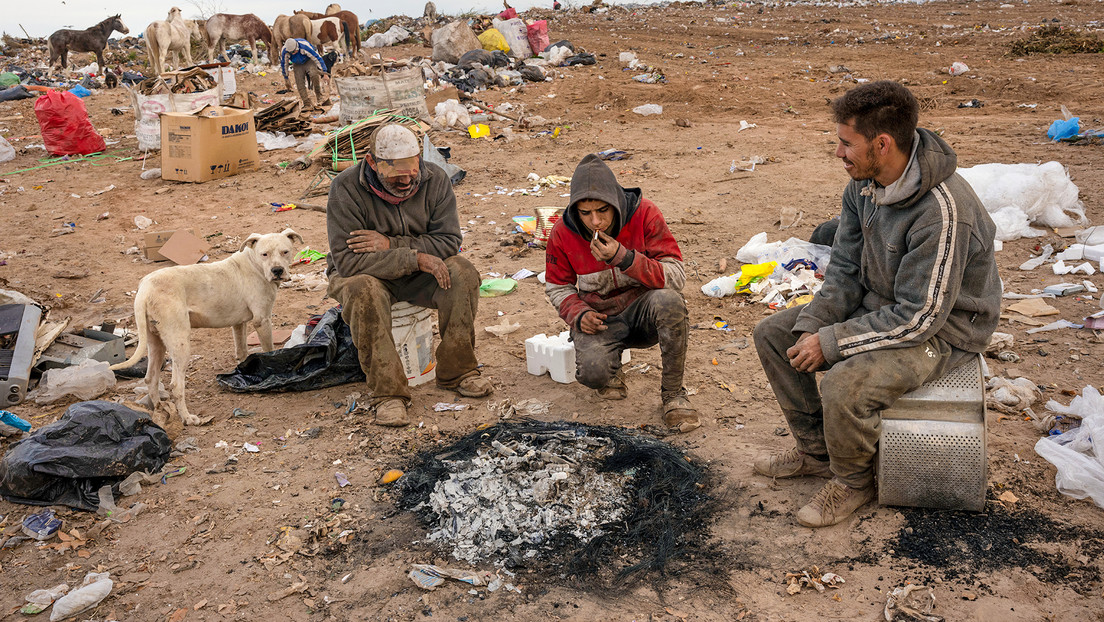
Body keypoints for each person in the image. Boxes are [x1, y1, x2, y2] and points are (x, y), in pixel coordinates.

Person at [752, 81, 1001, 527]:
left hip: (945, 329)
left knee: (844, 384)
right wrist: (813, 325)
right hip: (883, 306)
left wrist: (832, 343)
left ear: (882, 144)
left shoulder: (942, 211)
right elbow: (844, 269)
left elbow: (920, 316)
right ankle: (816, 453)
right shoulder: (863, 186)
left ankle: (852, 482)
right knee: (774, 334)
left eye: (847, 143)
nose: (839, 153)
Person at [326, 124, 493, 426]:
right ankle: (388, 394)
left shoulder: (435, 178)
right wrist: (413, 257)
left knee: (462, 272)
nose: (405, 181)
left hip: (418, 272)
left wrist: (390, 245)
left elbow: (448, 241)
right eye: (395, 175)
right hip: (366, 275)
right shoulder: (345, 188)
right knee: (363, 290)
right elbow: (349, 262)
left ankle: (458, 372)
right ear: (372, 162)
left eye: (411, 172)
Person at [544, 154, 699, 432]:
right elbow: (558, 286)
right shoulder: (562, 232)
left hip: (643, 311)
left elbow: (676, 276)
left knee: (670, 301)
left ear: (615, 201)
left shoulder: (644, 214)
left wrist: (624, 258)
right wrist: (579, 315)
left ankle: (674, 395)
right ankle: (611, 369)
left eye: (603, 210)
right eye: (585, 213)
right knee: (593, 374)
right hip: (600, 319)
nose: (595, 221)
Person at [279, 38, 328, 110]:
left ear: (297, 47)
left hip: (308, 60)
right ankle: (306, 103)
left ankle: (319, 97)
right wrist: (286, 77)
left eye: (294, 51)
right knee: (299, 83)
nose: (293, 53)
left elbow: (317, 58)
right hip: (297, 64)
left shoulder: (304, 46)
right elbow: (284, 64)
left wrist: (324, 72)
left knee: (314, 74)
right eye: (291, 52)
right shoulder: (285, 51)